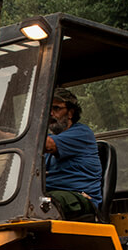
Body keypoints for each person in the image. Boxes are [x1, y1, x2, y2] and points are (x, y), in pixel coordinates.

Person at [44, 88, 102, 219]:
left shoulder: (82, 133)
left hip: (80, 198)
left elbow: (46, 144)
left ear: (70, 113)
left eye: (56, 108)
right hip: (53, 194)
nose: (51, 113)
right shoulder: (46, 140)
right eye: (48, 109)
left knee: (44, 202)